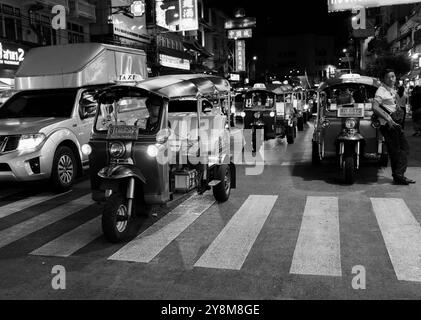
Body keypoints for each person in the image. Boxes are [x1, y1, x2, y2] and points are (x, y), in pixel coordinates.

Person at [373, 69, 415, 185]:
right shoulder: (381, 91)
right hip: (388, 124)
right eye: (388, 77)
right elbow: (375, 107)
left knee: (396, 151)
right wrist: (388, 118)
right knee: (403, 149)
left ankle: (398, 176)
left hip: (395, 124)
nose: (392, 79)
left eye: (393, 76)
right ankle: (399, 175)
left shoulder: (391, 90)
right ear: (384, 79)